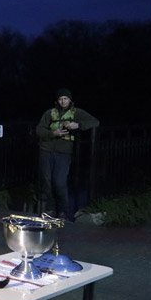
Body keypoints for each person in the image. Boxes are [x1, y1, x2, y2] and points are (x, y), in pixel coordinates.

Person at [35, 88, 99, 220]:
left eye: (65, 98)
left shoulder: (76, 112)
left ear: (70, 100)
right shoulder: (49, 113)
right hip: (46, 150)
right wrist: (53, 133)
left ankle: (63, 210)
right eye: (60, 99)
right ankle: (51, 209)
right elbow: (39, 129)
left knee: (59, 182)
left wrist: (78, 125)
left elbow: (95, 122)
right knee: (46, 180)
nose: (63, 101)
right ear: (57, 100)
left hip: (63, 151)